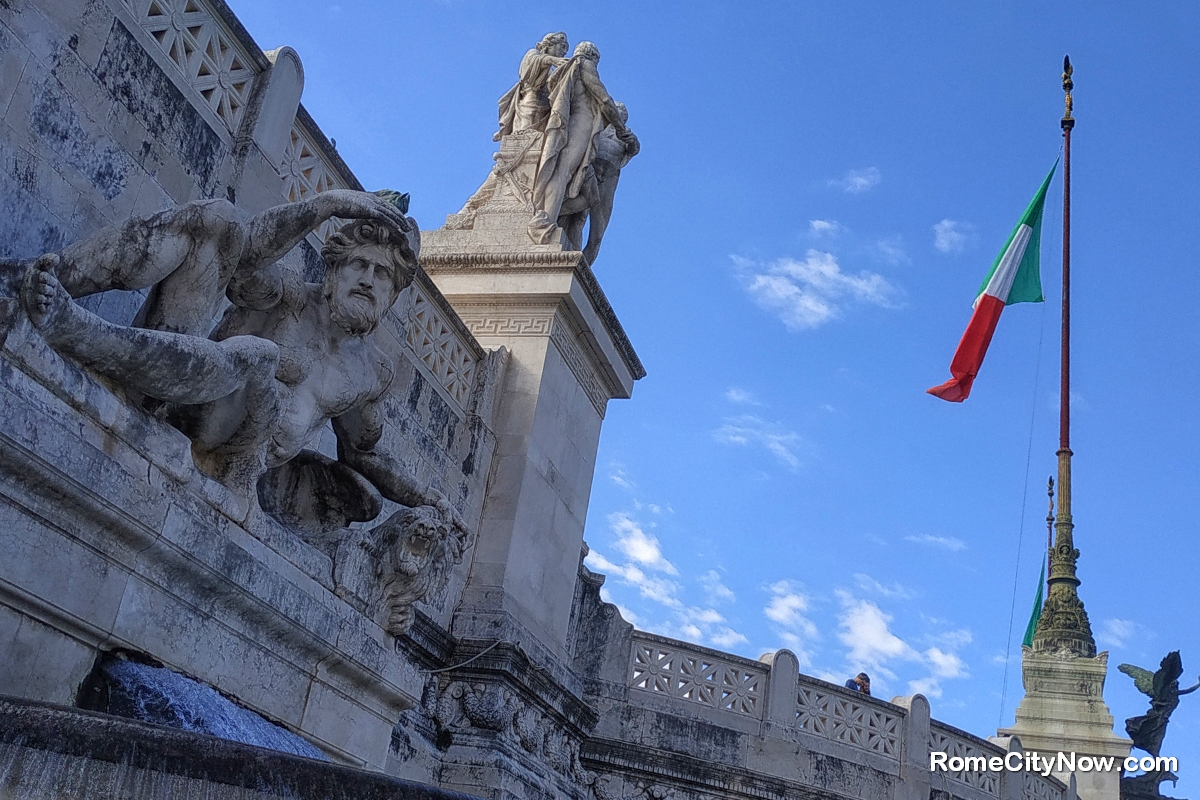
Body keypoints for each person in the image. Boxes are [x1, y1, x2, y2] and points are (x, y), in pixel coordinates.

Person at [19, 191, 461, 532]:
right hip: (176, 401)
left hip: (236, 457)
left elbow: (365, 452)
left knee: (259, 358)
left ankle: (74, 329)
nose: (367, 280)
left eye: (382, 275)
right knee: (217, 221)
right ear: (332, 271)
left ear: (393, 295)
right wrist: (321, 207)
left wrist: (431, 498)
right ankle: (35, 284)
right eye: (359, 265)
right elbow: (239, 257)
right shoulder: (287, 296)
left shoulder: (371, 374)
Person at [528, 41, 633, 244]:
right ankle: (544, 220)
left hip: (567, 124)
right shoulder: (585, 65)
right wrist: (619, 127)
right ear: (593, 56)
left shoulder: (567, 67)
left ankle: (547, 214)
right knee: (563, 172)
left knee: (565, 175)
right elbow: (603, 99)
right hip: (580, 127)